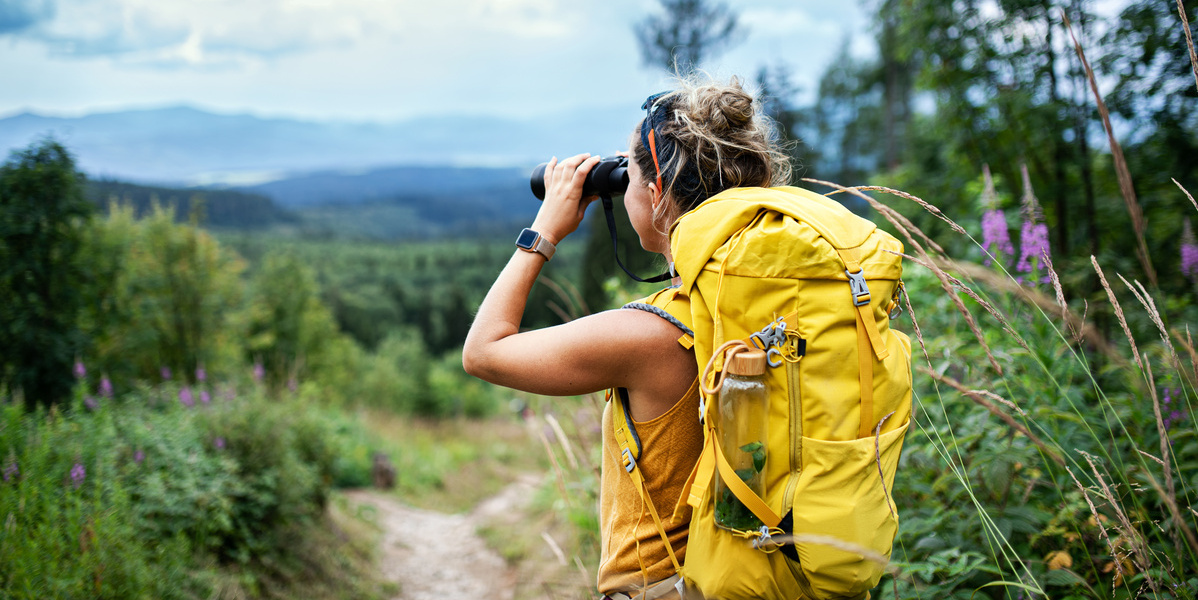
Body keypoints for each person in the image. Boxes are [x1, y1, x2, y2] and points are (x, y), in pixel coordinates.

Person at [462, 74, 792, 600]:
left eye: (632, 175)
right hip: (774, 579)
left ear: (657, 194)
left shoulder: (651, 335)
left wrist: (542, 231)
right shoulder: (787, 309)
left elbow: (483, 352)